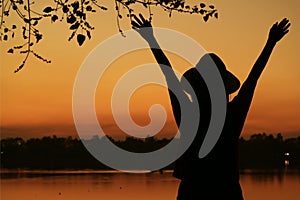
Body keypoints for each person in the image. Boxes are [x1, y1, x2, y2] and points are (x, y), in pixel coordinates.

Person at [132, 14, 290, 200]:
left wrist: (151, 39)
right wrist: (270, 43)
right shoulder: (231, 114)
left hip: (195, 191)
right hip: (225, 191)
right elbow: (252, 80)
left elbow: (168, 73)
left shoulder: (190, 114)